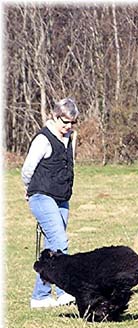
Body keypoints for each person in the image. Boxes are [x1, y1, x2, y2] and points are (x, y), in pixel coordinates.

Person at [22, 97, 79, 309]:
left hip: (61, 197)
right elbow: (27, 169)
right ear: (55, 117)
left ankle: (41, 296)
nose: (68, 127)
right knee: (60, 240)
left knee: (53, 246)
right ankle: (63, 291)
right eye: (65, 122)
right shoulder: (43, 139)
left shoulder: (70, 138)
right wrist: (29, 190)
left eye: (72, 123)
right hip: (41, 195)